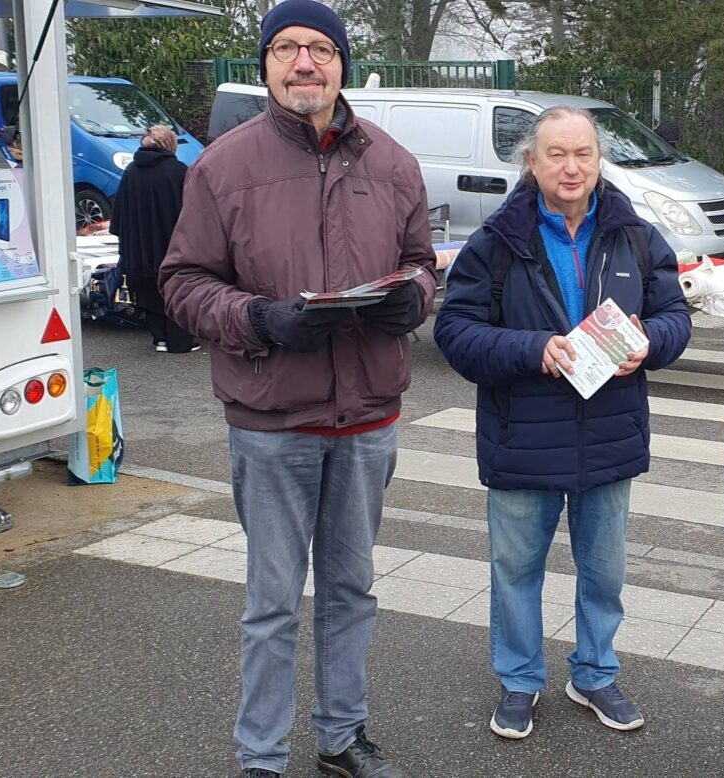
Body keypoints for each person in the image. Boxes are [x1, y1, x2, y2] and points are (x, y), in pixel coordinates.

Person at [157, 1, 436, 775]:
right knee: (273, 603)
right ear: (266, 65)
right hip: (272, 421)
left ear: (343, 64)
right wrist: (260, 319)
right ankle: (262, 757)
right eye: (287, 48)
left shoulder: (392, 162)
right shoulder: (223, 166)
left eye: (320, 48)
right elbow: (180, 283)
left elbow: (422, 261)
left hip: (367, 417)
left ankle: (342, 737)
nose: (304, 63)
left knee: (352, 591)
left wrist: (417, 295)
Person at [434, 106, 691, 740]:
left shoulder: (635, 235)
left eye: (583, 153)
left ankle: (595, 673)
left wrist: (650, 342)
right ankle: (520, 680)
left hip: (610, 432)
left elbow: (675, 315)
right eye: (556, 154)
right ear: (531, 162)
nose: (571, 166)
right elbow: (455, 332)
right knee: (516, 571)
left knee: (604, 573)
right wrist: (532, 349)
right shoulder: (496, 243)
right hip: (523, 435)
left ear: (599, 160)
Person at [109, 125, 197, 353]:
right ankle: (180, 340)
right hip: (172, 245)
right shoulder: (178, 171)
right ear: (169, 144)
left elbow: (119, 213)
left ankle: (160, 338)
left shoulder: (131, 171)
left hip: (138, 246)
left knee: (148, 288)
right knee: (177, 287)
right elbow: (193, 210)